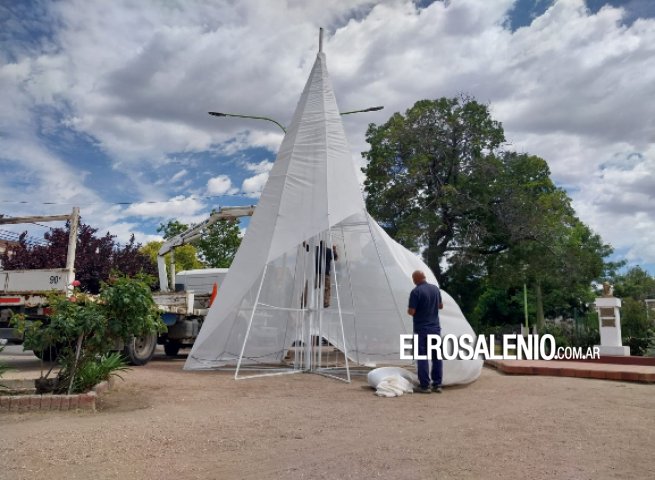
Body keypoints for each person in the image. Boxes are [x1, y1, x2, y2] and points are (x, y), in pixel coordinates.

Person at [407, 270, 443, 394]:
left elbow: (411, 311)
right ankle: (437, 385)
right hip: (435, 328)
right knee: (436, 357)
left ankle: (425, 386)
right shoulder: (435, 289)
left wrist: (417, 309)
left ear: (415, 279)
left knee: (422, 357)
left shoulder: (415, 292)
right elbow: (440, 306)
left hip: (421, 329)